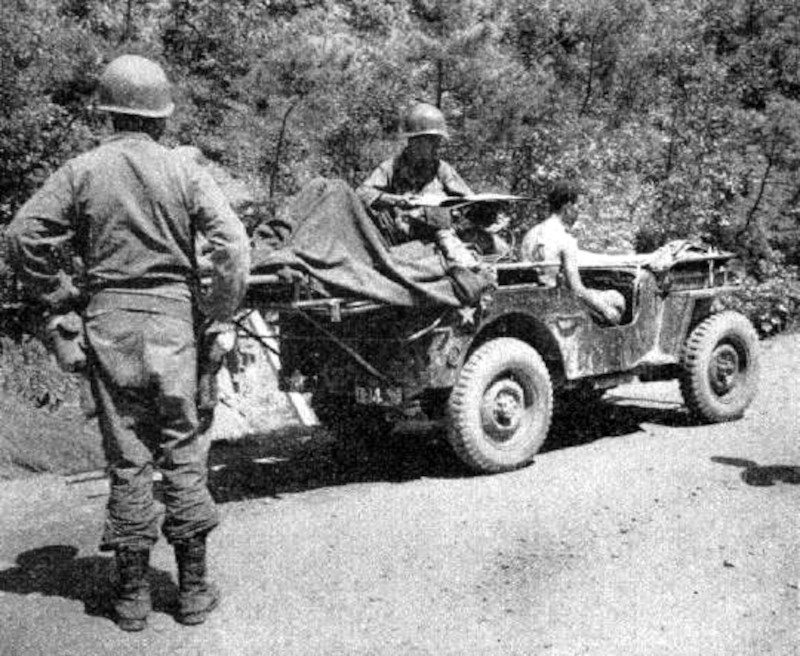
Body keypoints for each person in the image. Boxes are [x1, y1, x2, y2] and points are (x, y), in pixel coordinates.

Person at [6, 54, 250, 631]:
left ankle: (132, 601)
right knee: (184, 451)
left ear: (108, 113)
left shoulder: (83, 169)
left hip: (108, 322)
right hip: (173, 325)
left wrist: (64, 297)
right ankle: (192, 595)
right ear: (161, 118)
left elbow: (23, 237)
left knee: (128, 461)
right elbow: (233, 247)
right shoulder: (184, 170)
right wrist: (218, 311)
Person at [356, 102, 479, 268]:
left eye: (438, 140)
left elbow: (469, 200)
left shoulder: (441, 169)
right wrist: (396, 200)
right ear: (414, 140)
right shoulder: (391, 168)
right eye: (432, 140)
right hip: (405, 246)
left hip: (443, 239)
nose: (437, 145)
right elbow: (361, 193)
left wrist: (485, 207)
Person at [521, 180, 625, 325]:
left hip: (532, 300)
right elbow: (577, 289)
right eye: (577, 206)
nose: (579, 211)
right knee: (616, 298)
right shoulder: (564, 239)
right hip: (558, 303)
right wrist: (605, 310)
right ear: (568, 206)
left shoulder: (530, 234)